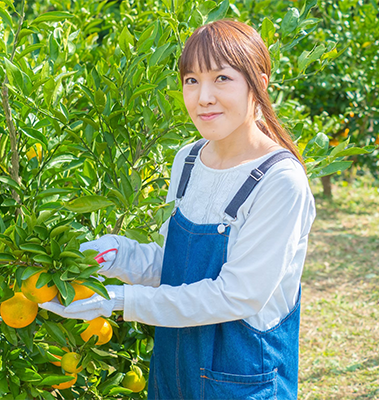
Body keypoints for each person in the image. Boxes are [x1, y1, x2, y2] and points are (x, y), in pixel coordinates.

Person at [40, 19, 316, 399]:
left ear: (259, 85)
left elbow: (238, 294)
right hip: (173, 372)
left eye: (221, 78)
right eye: (191, 80)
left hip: (243, 380)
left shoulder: (279, 181)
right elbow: (175, 266)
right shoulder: (187, 160)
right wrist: (115, 255)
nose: (203, 96)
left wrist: (120, 300)